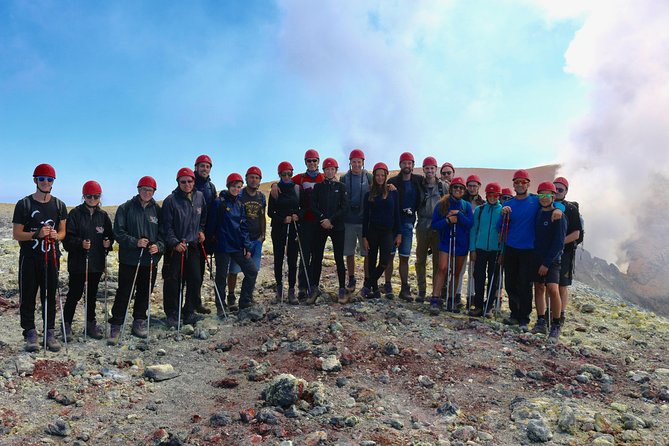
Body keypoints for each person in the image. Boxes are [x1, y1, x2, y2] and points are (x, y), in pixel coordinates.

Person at [12, 164, 68, 352]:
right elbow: (17, 234)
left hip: (51, 256)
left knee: (49, 295)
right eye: (42, 179)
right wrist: (36, 235)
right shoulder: (24, 204)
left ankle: (49, 332)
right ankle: (30, 333)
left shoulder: (59, 205)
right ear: (35, 180)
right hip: (29, 257)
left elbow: (62, 232)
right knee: (27, 294)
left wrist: (55, 236)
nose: (45, 182)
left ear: (53, 182)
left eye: (49, 179)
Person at [500, 170, 563, 331]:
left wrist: (559, 209)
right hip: (511, 248)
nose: (520, 184)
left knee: (524, 285)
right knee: (510, 283)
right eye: (517, 182)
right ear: (513, 184)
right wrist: (503, 213)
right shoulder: (509, 204)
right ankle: (514, 314)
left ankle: (524, 317)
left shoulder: (535, 200)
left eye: (523, 182)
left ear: (528, 184)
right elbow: (499, 227)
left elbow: (552, 202)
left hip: (528, 250)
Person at [109, 176, 164, 344]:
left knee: (145, 292)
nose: (147, 192)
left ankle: (138, 321)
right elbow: (118, 232)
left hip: (150, 260)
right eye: (144, 189)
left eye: (150, 190)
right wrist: (135, 242)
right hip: (129, 259)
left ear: (154, 192)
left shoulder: (158, 211)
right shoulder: (125, 208)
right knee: (124, 291)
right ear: (138, 189)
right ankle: (116, 324)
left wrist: (159, 246)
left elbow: (163, 234)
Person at [62, 181, 114, 339]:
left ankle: (90, 324)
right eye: (89, 196)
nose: (92, 199)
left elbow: (110, 236)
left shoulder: (103, 216)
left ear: (100, 197)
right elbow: (67, 239)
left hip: (96, 263)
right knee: (74, 294)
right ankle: (66, 324)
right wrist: (80, 243)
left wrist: (108, 243)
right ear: (83, 196)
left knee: (91, 295)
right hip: (79, 263)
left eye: (96, 196)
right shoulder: (75, 214)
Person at [161, 167, 207, 328]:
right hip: (176, 248)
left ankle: (189, 312)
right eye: (183, 181)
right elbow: (166, 227)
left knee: (195, 278)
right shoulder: (170, 201)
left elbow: (203, 217)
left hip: (193, 245)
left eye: (190, 181)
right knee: (173, 281)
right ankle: (172, 314)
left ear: (194, 181)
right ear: (178, 182)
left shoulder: (200, 197)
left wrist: (201, 230)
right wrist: (174, 243)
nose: (187, 184)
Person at [207, 173, 258, 312]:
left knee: (252, 271)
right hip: (222, 246)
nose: (236, 189)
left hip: (237, 246)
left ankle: (245, 301)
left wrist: (247, 246)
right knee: (221, 277)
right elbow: (211, 225)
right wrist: (209, 245)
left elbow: (244, 227)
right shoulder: (219, 203)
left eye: (239, 187)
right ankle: (221, 306)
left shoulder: (240, 204)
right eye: (234, 186)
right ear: (228, 185)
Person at [529, 182, 567, 342]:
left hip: (552, 259)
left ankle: (556, 324)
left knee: (552, 289)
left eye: (548, 195)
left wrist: (546, 263)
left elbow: (559, 242)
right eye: (541, 194)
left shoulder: (558, 216)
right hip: (536, 256)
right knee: (538, 288)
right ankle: (541, 320)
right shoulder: (538, 213)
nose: (544, 198)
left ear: (553, 196)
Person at [385, 152, 425, 299]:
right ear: (400, 164)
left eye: (409, 163)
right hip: (392, 225)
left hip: (408, 224)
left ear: (413, 165)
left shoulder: (419, 180)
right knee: (389, 256)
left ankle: (404, 288)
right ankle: (388, 285)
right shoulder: (393, 181)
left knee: (404, 257)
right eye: (404, 163)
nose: (407, 166)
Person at [430, 177, 473, 313]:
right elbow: (435, 225)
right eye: (455, 187)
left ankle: (451, 300)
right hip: (446, 241)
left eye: (461, 188)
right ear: (451, 189)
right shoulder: (442, 204)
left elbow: (469, 224)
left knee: (456, 272)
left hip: (461, 244)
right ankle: (435, 299)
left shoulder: (466, 206)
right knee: (442, 269)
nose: (458, 190)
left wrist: (459, 216)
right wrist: (448, 221)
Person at [225, 166, 266, 312]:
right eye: (251, 177)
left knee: (253, 270)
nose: (254, 180)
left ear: (260, 180)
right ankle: (231, 296)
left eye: (257, 177)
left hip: (256, 239)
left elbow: (262, 215)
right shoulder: (240, 195)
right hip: (241, 240)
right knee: (234, 269)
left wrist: (263, 235)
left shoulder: (261, 197)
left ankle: (247, 296)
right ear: (247, 178)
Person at [310, 157, 348, 303]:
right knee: (317, 257)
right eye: (327, 169)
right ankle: (314, 289)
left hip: (336, 226)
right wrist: (323, 219)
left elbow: (344, 207)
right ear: (323, 171)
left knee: (339, 258)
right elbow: (313, 206)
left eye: (332, 169)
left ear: (336, 170)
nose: (330, 171)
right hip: (320, 226)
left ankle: (342, 289)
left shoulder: (342, 187)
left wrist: (331, 220)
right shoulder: (318, 187)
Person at [362, 163, 401, 299]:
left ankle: (367, 286)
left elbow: (397, 214)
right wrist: (364, 237)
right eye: (377, 175)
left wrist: (399, 234)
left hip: (387, 232)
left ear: (386, 176)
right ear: (374, 176)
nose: (379, 178)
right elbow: (365, 217)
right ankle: (375, 290)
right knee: (371, 261)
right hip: (372, 231)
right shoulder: (369, 194)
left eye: (382, 175)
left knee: (384, 261)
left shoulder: (393, 192)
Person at [415, 156, 447, 302]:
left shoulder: (443, 186)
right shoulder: (419, 185)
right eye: (427, 168)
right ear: (423, 169)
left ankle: (436, 292)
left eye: (432, 168)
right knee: (420, 259)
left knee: (437, 261)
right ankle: (421, 290)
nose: (429, 171)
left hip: (438, 226)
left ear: (436, 169)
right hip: (422, 224)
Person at [340, 149, 372, 295]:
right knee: (349, 251)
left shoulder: (369, 177)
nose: (357, 164)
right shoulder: (344, 178)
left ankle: (367, 280)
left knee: (367, 253)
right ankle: (351, 279)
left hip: (365, 221)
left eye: (359, 162)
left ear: (363, 162)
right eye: (354, 161)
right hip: (349, 221)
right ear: (350, 162)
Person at [468, 182, 503, 316]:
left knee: (493, 279)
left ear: (498, 195)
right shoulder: (479, 210)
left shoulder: (503, 211)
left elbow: (504, 234)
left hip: (496, 250)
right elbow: (474, 230)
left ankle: (488, 307)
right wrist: (472, 249)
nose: (492, 197)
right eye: (490, 194)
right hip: (480, 249)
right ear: (486, 195)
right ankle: (478, 305)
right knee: (478, 277)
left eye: (495, 195)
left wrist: (503, 252)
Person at [268, 161, 301, 304]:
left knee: (293, 260)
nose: (287, 176)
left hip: (293, 229)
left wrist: (297, 215)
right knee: (279, 259)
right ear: (279, 174)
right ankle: (279, 289)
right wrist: (283, 219)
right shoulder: (275, 190)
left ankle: (292, 290)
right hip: (278, 229)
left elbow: (303, 207)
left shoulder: (297, 189)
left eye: (289, 173)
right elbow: (270, 212)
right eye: (284, 174)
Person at [553, 176, 582, 327]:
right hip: (550, 252)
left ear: (566, 191)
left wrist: (558, 244)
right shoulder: (546, 205)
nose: (557, 191)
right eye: (555, 188)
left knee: (562, 285)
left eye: (560, 189)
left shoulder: (571, 209)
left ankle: (561, 314)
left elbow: (576, 234)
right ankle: (549, 312)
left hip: (566, 253)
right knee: (548, 284)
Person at [193, 154, 217, 315]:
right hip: (189, 235)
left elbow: (213, 211)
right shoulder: (189, 182)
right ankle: (185, 305)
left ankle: (196, 303)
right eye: (202, 166)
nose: (204, 168)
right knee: (190, 272)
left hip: (205, 236)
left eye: (207, 166)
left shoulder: (211, 187)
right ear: (196, 167)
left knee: (199, 271)